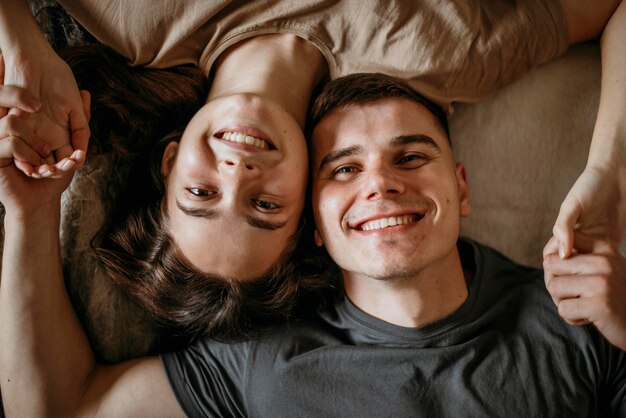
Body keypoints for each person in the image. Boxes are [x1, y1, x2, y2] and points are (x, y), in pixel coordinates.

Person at [2, 72, 625, 417]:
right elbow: (56, 410)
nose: (381, 183)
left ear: (461, 189)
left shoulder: (581, 318)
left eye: (411, 156)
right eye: (344, 170)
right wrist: (31, 211)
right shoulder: (257, 365)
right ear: (313, 225)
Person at [2, 0, 625, 339]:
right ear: (310, 204)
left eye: (201, 191)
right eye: (265, 207)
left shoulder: (133, 20)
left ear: (169, 160)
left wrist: (21, 42)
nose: (240, 171)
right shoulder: (445, 54)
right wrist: (606, 173)